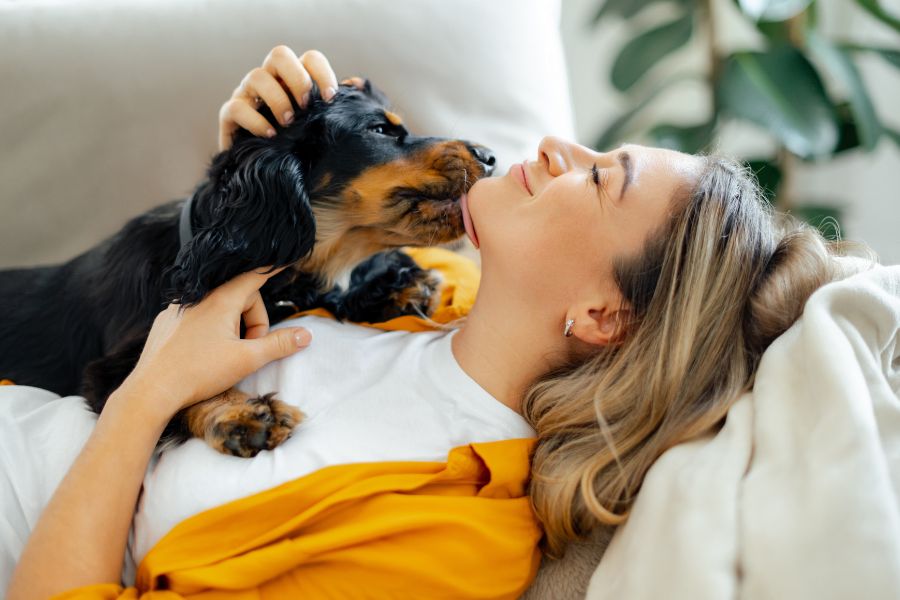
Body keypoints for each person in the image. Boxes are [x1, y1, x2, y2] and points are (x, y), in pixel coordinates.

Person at [6, 45, 846, 598]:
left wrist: (148, 394)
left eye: (599, 179)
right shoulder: (425, 295)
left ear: (601, 316)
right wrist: (265, 164)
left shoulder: (449, 530)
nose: (556, 146)